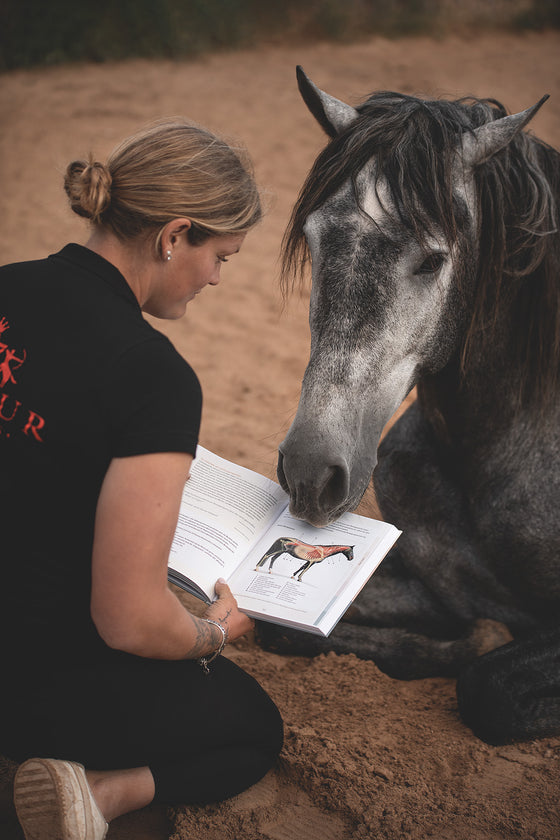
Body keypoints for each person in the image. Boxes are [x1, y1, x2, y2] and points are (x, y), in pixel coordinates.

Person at [0, 119, 283, 840]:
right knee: (254, 726)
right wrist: (209, 636)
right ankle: (104, 793)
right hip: (29, 679)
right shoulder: (151, 374)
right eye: (221, 255)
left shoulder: (8, 286)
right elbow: (125, 619)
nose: (217, 278)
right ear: (173, 234)